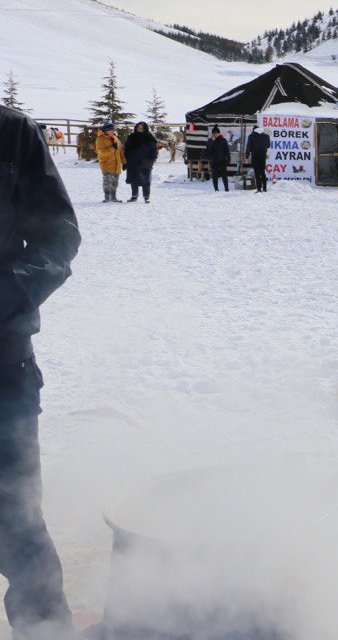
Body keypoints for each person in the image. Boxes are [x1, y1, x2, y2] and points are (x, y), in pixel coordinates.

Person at [0, 105, 82, 640]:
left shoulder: (11, 134)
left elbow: (58, 236)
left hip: (2, 370)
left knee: (19, 526)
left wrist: (8, 294)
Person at [123, 122, 157, 203]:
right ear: (136, 128)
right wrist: (125, 161)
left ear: (145, 128)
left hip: (145, 161)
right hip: (132, 162)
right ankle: (134, 196)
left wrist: (152, 160)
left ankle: (146, 197)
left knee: (146, 180)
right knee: (133, 179)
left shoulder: (149, 137)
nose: (140, 129)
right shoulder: (132, 136)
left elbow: (154, 150)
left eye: (142, 128)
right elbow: (126, 149)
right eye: (138, 127)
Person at [94, 121, 123, 203]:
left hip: (117, 164)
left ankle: (113, 197)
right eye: (110, 129)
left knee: (115, 182)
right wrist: (112, 148)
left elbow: (120, 151)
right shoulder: (100, 139)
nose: (112, 131)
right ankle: (107, 197)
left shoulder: (115, 138)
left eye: (113, 129)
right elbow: (100, 152)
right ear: (105, 130)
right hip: (106, 164)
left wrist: (124, 162)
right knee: (107, 181)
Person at [246, 125, 270, 193]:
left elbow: (248, 147)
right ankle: (265, 188)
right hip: (263, 156)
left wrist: (247, 156)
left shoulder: (251, 136)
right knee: (262, 172)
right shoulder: (266, 136)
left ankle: (259, 189)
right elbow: (268, 145)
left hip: (255, 156)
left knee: (257, 173)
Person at [207, 126, 231, 192]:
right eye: (213, 133)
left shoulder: (223, 140)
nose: (214, 134)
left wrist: (228, 159)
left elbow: (227, 151)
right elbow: (208, 150)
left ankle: (226, 188)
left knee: (224, 175)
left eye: (216, 133)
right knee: (214, 175)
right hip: (214, 161)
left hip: (222, 160)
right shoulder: (211, 140)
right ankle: (216, 189)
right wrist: (211, 141)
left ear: (219, 133)